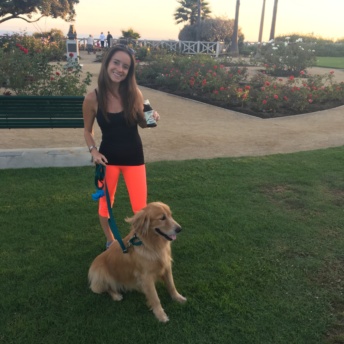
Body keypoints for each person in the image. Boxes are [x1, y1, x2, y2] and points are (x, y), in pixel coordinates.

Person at [83, 45, 160, 250]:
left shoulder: (134, 93)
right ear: (107, 63)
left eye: (125, 66)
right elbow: (87, 131)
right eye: (116, 62)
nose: (120, 69)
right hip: (108, 159)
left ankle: (135, 239)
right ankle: (111, 240)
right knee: (105, 204)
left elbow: (143, 123)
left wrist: (152, 119)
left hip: (134, 157)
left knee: (140, 207)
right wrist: (94, 151)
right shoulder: (93, 98)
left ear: (129, 71)